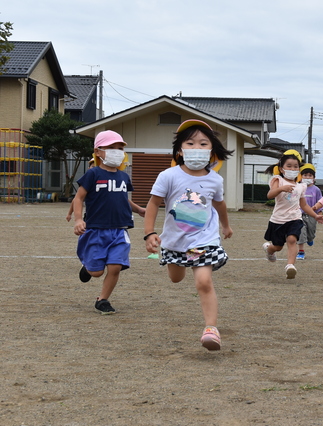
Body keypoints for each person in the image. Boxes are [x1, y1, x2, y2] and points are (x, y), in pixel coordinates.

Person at [143, 119, 234, 351]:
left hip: (204, 240)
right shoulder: (168, 176)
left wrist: (225, 226)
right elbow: (153, 204)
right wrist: (149, 233)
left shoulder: (215, 179)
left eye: (203, 143)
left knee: (203, 281)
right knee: (176, 278)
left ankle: (211, 329)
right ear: (180, 150)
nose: (196, 148)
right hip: (174, 241)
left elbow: (220, 205)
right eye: (190, 143)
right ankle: (177, 265)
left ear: (212, 151)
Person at [72, 131, 146, 314]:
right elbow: (78, 198)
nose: (117, 151)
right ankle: (88, 267)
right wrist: (79, 219)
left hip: (120, 230)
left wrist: (138, 209)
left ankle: (103, 300)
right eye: (111, 148)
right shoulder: (93, 174)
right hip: (96, 230)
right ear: (98, 151)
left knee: (115, 267)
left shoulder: (123, 177)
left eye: (120, 148)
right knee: (97, 272)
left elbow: (122, 198)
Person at [263, 150, 323, 279]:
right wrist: (281, 188)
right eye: (289, 166)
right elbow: (270, 195)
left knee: (292, 240)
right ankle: (269, 250)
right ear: (282, 168)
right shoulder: (278, 180)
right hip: (278, 220)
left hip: (294, 218)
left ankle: (290, 266)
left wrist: (315, 216)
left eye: (295, 166)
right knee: (278, 246)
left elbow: (303, 205)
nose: (293, 169)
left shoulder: (301, 186)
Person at [296, 163, 323, 260]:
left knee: (310, 233)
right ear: (301, 176)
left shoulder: (316, 190)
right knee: (301, 233)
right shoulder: (298, 187)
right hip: (299, 215)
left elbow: (320, 202)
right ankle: (301, 251)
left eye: (310, 176)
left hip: (312, 215)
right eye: (305, 175)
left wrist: (319, 213)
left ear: (314, 178)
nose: (307, 177)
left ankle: (310, 239)